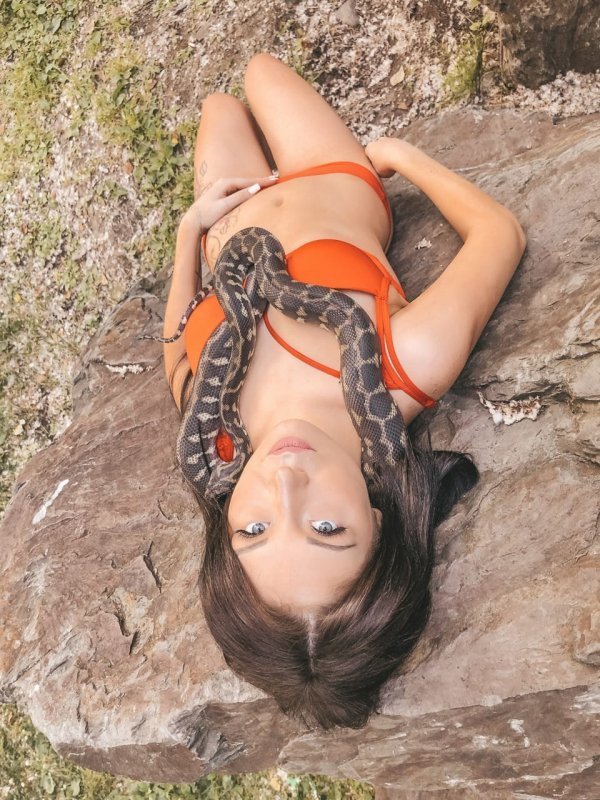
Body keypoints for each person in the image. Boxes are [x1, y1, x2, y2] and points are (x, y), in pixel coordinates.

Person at [161, 52, 527, 730]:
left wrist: (188, 232)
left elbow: (176, 354)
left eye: (254, 530)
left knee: (220, 105)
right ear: (379, 523)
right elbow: (499, 235)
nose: (285, 483)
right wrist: (398, 156)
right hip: (332, 173)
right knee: (260, 71)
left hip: (224, 226)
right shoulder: (404, 364)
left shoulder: (213, 435)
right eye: (326, 528)